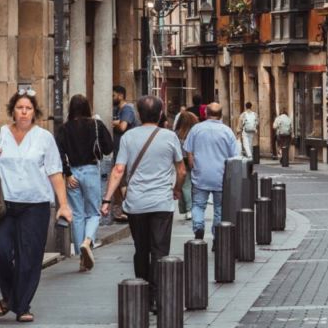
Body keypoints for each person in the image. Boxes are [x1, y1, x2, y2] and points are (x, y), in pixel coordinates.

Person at [0, 90, 72, 323]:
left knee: (29, 257)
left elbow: (55, 172)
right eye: (20, 107)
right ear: (13, 111)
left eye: (28, 108)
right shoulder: (0, 133)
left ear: (35, 112)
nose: (23, 112)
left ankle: (22, 307)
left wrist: (63, 204)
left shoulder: (44, 137)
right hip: (5, 204)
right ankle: (11, 296)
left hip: (35, 205)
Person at [101, 96, 185, 311]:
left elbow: (118, 169)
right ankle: (157, 296)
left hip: (136, 203)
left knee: (141, 249)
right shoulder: (169, 137)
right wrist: (176, 189)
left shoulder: (129, 137)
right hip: (161, 203)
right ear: (160, 114)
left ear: (138, 114)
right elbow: (181, 170)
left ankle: (143, 292)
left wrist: (107, 198)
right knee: (159, 250)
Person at [55, 94, 113, 271]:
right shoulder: (95, 124)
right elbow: (109, 147)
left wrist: (67, 173)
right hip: (90, 170)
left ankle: (82, 259)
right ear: (87, 107)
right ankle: (88, 241)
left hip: (72, 173)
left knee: (78, 215)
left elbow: (58, 153)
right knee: (93, 213)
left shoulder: (64, 129)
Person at [182, 102, 238, 242]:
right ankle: (217, 236)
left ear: (205, 113)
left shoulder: (196, 129)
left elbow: (189, 151)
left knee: (198, 205)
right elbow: (235, 156)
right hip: (221, 176)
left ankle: (199, 227)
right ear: (221, 115)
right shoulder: (227, 131)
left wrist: (193, 165)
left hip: (200, 175)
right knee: (219, 208)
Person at [110, 85, 139, 222]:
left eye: (113, 95)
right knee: (121, 181)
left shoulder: (127, 109)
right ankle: (125, 208)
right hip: (118, 150)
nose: (112, 98)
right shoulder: (117, 109)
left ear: (121, 95)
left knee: (123, 180)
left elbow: (123, 126)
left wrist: (114, 122)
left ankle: (128, 208)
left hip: (126, 151)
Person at [172, 104, 200, 220]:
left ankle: (189, 209)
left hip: (181, 160)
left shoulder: (176, 134)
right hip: (195, 160)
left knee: (186, 185)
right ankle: (193, 207)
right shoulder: (196, 132)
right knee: (193, 185)